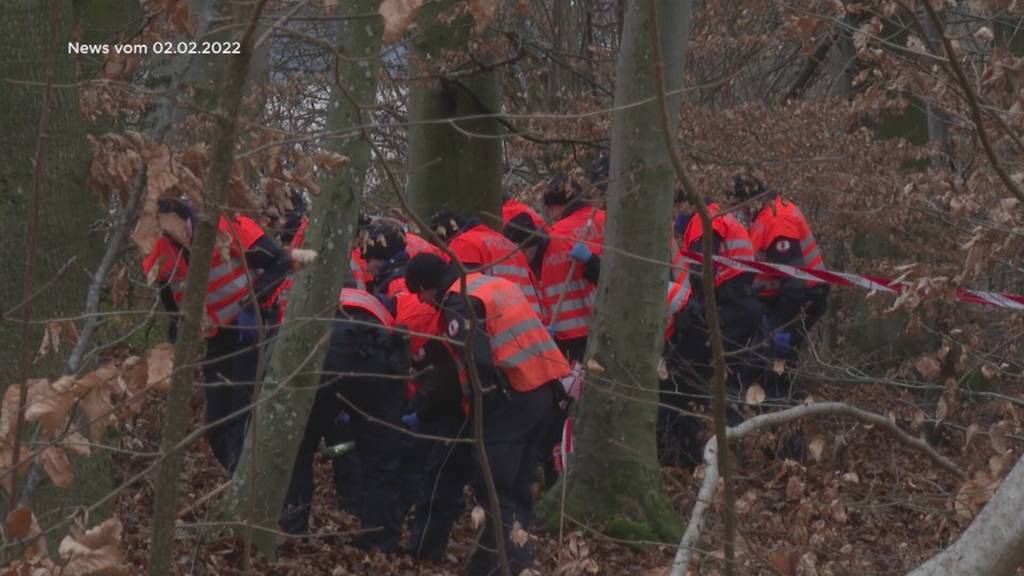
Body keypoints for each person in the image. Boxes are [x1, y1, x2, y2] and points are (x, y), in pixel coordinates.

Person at [403, 253, 568, 576]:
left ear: (427, 287)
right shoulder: (491, 284)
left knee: (493, 487)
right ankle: (491, 563)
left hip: (513, 396)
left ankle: (512, 566)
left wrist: (486, 400)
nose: (423, 301)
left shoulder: (458, 301)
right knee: (518, 488)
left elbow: (476, 358)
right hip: (546, 390)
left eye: (420, 294)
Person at [141, 199, 292, 472]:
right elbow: (173, 311)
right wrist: (176, 352)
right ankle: (237, 475)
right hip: (217, 337)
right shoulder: (160, 252)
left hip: (254, 329)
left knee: (242, 409)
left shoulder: (227, 227)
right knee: (216, 423)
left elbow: (280, 262)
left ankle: (249, 483)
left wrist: (253, 304)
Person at [281, 287, 410, 550]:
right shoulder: (370, 300)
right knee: (382, 462)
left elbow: (283, 349)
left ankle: (294, 532)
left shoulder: (305, 297)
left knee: (298, 451)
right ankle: (379, 541)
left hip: (325, 353)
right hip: (377, 353)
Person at [731, 175, 829, 400]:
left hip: (800, 298)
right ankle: (775, 411)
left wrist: (782, 325)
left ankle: (780, 416)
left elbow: (794, 280)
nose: (742, 213)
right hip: (787, 297)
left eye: (742, 206)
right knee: (769, 357)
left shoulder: (777, 220)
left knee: (773, 356)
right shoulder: (767, 215)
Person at [677, 197, 764, 412]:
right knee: (728, 374)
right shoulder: (724, 217)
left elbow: (702, 269)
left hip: (730, 306)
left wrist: (696, 307)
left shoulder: (703, 219)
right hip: (742, 306)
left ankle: (697, 421)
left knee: (693, 364)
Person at [428, 210, 546, 321]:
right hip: (533, 324)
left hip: (504, 327)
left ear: (446, 239)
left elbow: (463, 298)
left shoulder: (464, 244)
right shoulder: (505, 242)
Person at [538, 171, 606, 363]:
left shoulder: (556, 235)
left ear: (555, 206)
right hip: (610, 320)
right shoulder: (607, 220)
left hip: (571, 332)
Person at [362, 219, 410, 298]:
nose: (367, 268)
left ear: (383, 256)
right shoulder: (387, 279)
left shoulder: (398, 284)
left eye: (368, 260)